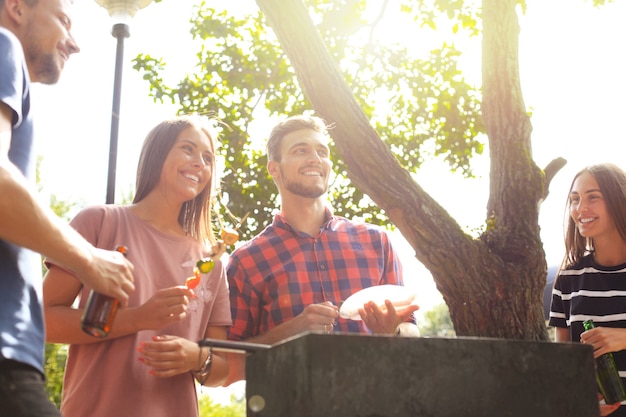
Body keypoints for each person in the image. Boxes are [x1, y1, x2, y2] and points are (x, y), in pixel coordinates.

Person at [42, 116, 232, 417]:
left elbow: (223, 369)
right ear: (157, 154)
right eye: (188, 149)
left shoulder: (211, 264)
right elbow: (42, 319)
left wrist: (197, 358)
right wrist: (137, 318)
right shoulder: (99, 223)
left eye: (207, 157)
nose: (200, 163)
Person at [0, 1, 135, 416]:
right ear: (16, 7)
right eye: (63, 20)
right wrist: (89, 260)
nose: (74, 44)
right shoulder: (4, 44)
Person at [224, 114, 420, 384]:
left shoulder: (377, 242)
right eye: (300, 150)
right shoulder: (247, 261)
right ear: (274, 169)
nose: (315, 158)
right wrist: (289, 333)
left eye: (322, 151)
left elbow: (411, 331)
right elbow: (222, 365)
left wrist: (393, 333)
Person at [549, 163, 626, 417]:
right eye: (574, 199)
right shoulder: (568, 278)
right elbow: (562, 367)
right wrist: (580, 403)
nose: (580, 208)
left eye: (593, 197)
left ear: (619, 198)